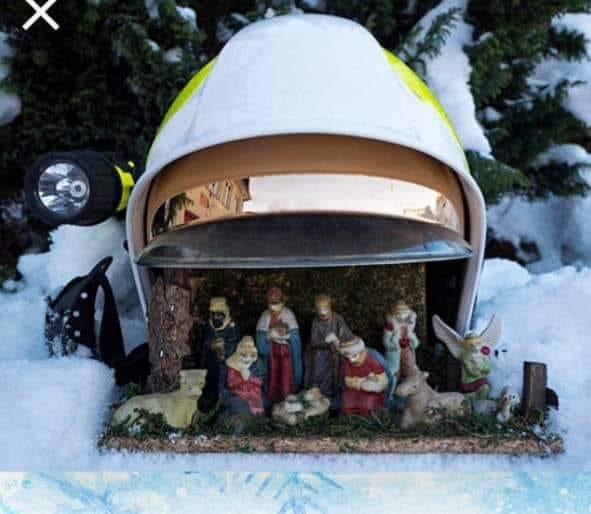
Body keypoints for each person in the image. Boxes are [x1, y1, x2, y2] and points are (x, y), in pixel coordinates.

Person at [303, 294, 353, 403]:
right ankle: (318, 396)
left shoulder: (337, 319)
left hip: (334, 353)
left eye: (325, 309)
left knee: (334, 375)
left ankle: (331, 397)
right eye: (319, 309)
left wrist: (337, 340)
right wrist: (325, 341)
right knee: (317, 373)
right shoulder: (316, 322)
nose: (323, 312)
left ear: (330, 307)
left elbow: (347, 335)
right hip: (320, 353)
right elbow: (314, 341)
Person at [255, 287, 302, 401]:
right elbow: (260, 337)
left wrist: (286, 337)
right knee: (273, 375)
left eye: (276, 304)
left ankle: (287, 396)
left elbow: (295, 338)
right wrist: (268, 336)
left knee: (285, 376)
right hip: (271, 355)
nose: (273, 307)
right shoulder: (265, 316)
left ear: (282, 303)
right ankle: (272, 397)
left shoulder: (289, 315)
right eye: (270, 304)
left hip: (286, 356)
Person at [338, 336, 390, 417]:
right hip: (355, 389)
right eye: (348, 356)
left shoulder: (371, 360)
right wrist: (359, 383)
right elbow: (348, 379)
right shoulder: (348, 363)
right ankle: (351, 417)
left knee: (367, 404)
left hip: (370, 389)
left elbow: (382, 377)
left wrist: (375, 384)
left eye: (353, 356)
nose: (351, 359)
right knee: (347, 402)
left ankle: (369, 416)